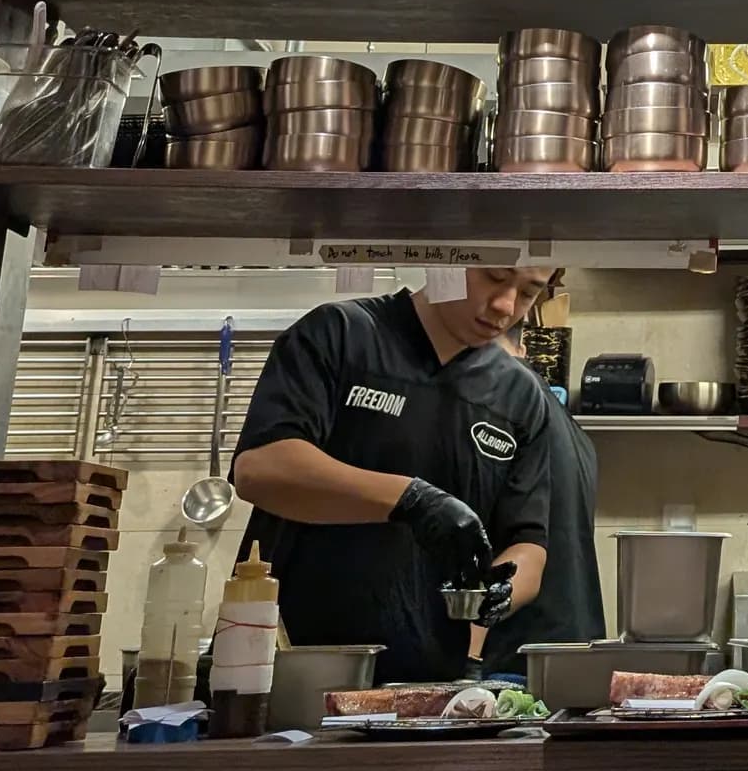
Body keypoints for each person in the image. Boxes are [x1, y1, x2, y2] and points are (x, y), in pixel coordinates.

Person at [230, 266, 559, 683]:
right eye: (494, 277)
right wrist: (411, 500)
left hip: (432, 689)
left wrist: (501, 592)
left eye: (528, 293)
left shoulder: (520, 396)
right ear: (447, 261)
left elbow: (528, 545)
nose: (505, 306)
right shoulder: (341, 334)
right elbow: (260, 469)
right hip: (295, 671)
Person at [479, 388, 605, 673]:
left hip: (508, 664)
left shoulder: (497, 404)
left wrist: (463, 663)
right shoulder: (574, 432)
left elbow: (523, 555)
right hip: (570, 662)